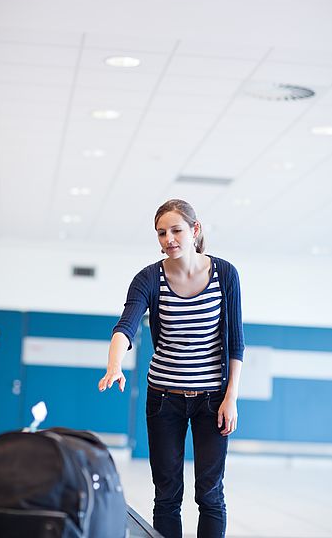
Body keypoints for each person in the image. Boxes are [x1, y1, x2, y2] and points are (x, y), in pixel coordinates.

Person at [98, 199, 244, 538]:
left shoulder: (225, 275)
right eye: (161, 233)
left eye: (176, 230)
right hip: (164, 399)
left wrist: (231, 396)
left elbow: (235, 342)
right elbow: (126, 326)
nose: (169, 239)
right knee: (166, 495)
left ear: (194, 230)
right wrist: (114, 365)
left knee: (210, 493)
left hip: (213, 400)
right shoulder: (149, 278)